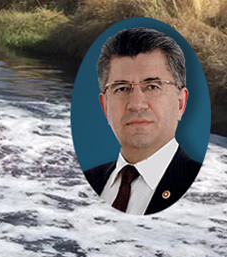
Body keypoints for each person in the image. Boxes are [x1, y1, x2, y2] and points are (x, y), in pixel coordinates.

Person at [83, 27, 201, 215]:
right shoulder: (86, 183)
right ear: (105, 107)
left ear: (180, 103)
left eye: (152, 87)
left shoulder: (207, 192)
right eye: (121, 88)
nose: (136, 104)